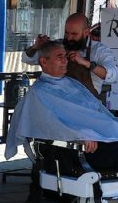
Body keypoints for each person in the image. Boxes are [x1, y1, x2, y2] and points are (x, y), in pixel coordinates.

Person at [7, 41, 118, 171]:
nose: (65, 61)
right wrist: (81, 136)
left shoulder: (72, 83)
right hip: (75, 151)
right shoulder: (38, 92)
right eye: (60, 57)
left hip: (100, 138)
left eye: (65, 56)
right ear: (43, 61)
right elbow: (51, 125)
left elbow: (94, 111)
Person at [22, 13, 118, 100]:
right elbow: (27, 59)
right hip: (58, 102)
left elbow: (112, 75)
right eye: (67, 33)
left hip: (87, 107)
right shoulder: (58, 46)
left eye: (74, 34)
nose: (69, 38)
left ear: (86, 32)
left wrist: (87, 64)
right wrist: (36, 47)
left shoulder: (99, 50)